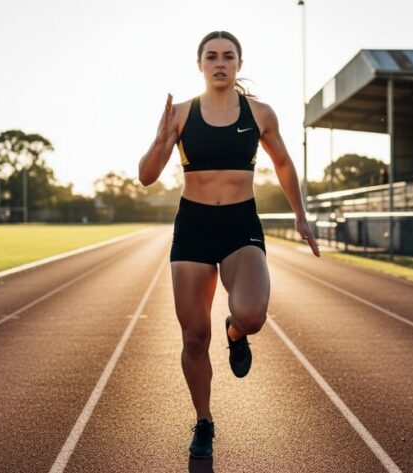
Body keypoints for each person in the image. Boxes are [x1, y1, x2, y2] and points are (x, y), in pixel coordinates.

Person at [137, 30, 320, 459]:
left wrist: (300, 214)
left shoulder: (260, 113)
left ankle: (236, 331)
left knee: (253, 313)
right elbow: (146, 176)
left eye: (228, 56)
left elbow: (283, 163)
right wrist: (161, 138)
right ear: (199, 64)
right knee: (194, 338)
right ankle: (204, 421)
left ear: (239, 64)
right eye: (212, 56)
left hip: (240, 225)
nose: (220, 62)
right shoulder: (180, 114)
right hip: (195, 228)